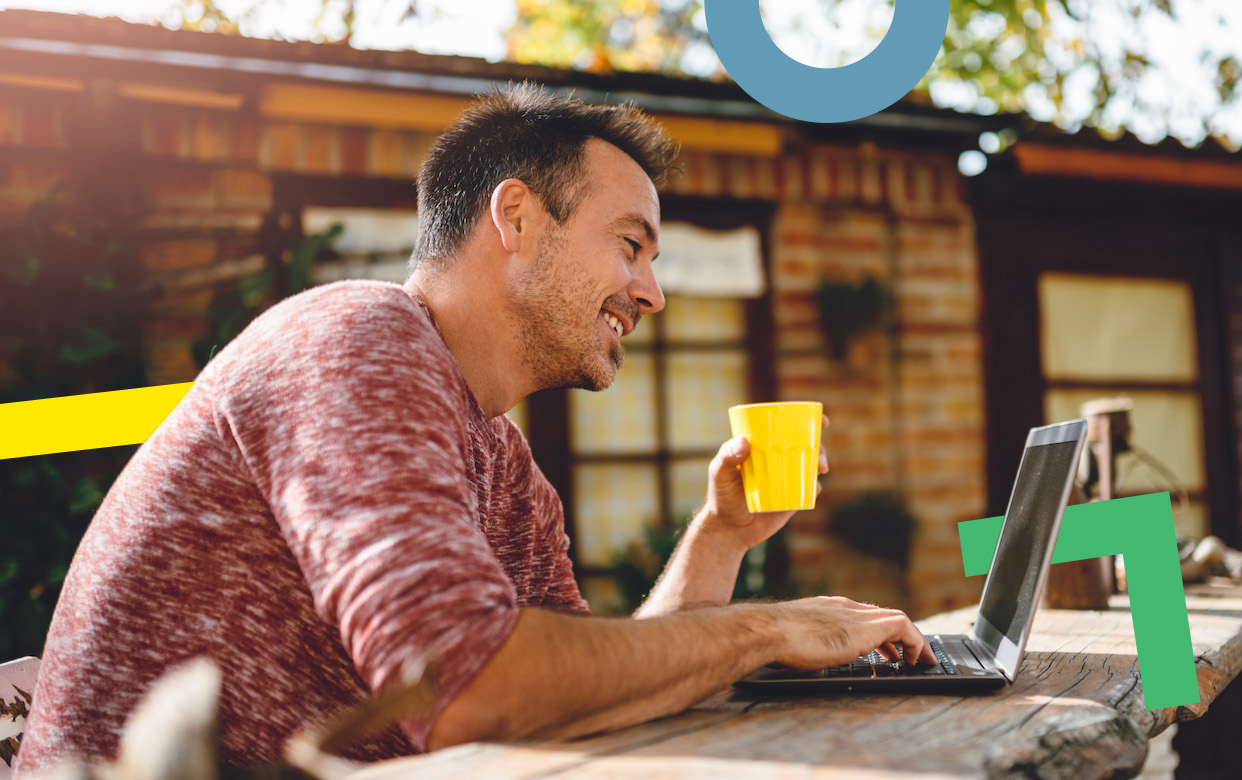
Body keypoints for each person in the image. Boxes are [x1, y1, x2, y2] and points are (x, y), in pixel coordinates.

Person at [15, 84, 935, 776]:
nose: (652, 292)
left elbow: (581, 693)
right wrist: (766, 629)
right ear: (518, 218)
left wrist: (719, 541)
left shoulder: (499, 456)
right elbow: (470, 688)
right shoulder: (354, 340)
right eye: (630, 245)